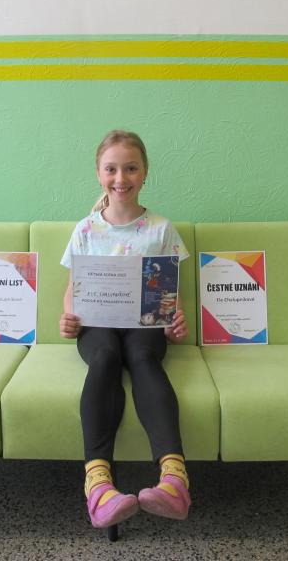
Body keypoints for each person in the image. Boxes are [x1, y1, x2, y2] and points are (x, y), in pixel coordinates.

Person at [59, 130, 192, 529]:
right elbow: (72, 290)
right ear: (99, 174)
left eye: (131, 168)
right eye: (111, 169)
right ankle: (99, 486)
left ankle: (175, 481)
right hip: (97, 324)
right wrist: (68, 317)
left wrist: (176, 321)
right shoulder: (85, 230)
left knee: (143, 357)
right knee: (104, 358)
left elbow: (170, 291)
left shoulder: (161, 228)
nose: (121, 178)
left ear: (145, 172)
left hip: (144, 326)